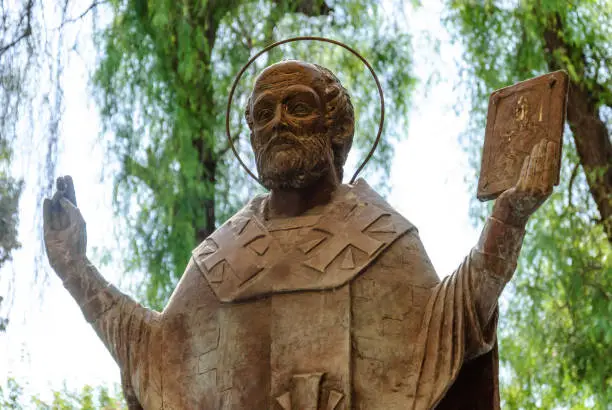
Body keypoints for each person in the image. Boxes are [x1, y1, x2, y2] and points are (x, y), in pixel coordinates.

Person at [44, 60, 556, 409]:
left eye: (297, 106)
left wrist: (509, 217)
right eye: (263, 113)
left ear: (336, 128)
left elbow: (453, 322)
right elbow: (155, 356)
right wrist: (75, 269)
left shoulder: (381, 237)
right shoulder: (220, 257)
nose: (277, 123)